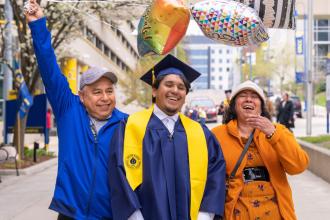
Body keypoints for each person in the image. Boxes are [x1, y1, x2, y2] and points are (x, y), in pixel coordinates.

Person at [25, 1, 128, 219]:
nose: (105, 98)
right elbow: (49, 67)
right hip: (71, 214)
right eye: (97, 92)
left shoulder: (126, 124)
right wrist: (38, 25)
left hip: (110, 215)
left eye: (109, 91)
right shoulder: (69, 110)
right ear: (82, 96)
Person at [109, 54, 226, 220]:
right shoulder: (131, 127)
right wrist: (134, 216)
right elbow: (118, 174)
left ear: (185, 95)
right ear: (155, 90)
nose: (175, 91)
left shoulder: (200, 132)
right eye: (168, 84)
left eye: (181, 87)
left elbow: (216, 173)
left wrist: (204, 215)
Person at [211, 80, 309, 220]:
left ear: (262, 107)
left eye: (254, 96)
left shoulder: (278, 131)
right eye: (243, 95)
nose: (249, 99)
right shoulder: (217, 135)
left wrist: (273, 135)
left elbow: (299, 166)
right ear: (233, 105)